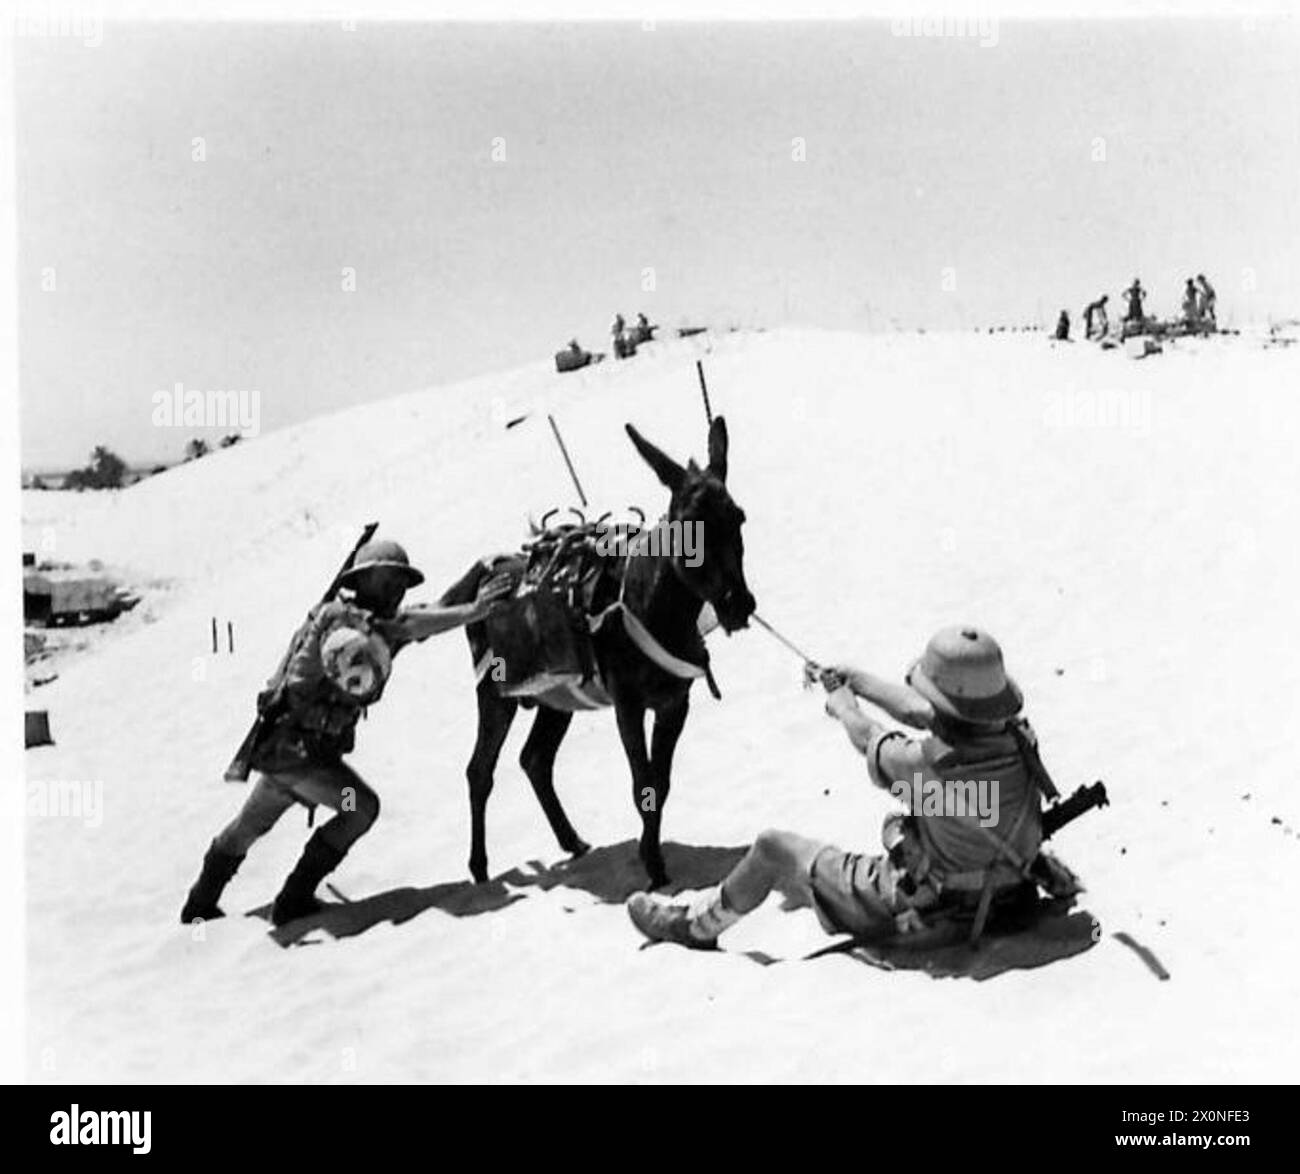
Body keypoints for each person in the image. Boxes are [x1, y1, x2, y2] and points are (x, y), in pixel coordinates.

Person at [627, 627, 1055, 950]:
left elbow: (869, 737)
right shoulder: (1017, 738)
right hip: (1008, 891)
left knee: (774, 847)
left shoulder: (925, 768)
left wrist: (844, 706)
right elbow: (926, 714)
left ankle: (696, 926)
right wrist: (856, 680)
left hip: (940, 908)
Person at [180, 539, 515, 927]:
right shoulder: (344, 621)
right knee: (360, 809)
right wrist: (474, 610)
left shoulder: (365, 621)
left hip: (288, 754)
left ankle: (200, 903)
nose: (397, 589)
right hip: (300, 756)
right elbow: (405, 626)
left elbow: (424, 618)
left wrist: (473, 580)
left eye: (401, 582)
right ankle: (294, 899)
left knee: (248, 827)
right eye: (388, 579)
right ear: (365, 579)